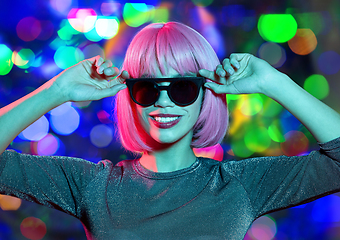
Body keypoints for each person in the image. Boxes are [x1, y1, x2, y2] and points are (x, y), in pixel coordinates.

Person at [1, 21, 340, 240]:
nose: (163, 102)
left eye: (182, 88)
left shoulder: (239, 184)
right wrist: (57, 91)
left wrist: (273, 83)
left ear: (206, 92)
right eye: (147, 88)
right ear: (131, 97)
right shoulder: (92, 185)